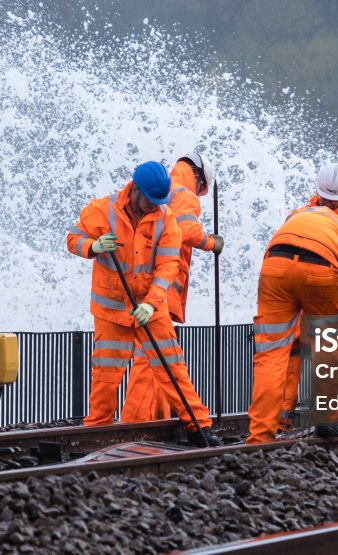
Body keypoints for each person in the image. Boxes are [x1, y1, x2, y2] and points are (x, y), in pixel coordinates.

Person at [65, 161, 221, 447]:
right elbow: (73, 239)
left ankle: (199, 426)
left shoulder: (166, 219)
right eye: (151, 200)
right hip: (112, 311)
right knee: (105, 375)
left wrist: (150, 304)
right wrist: (93, 246)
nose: (155, 206)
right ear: (135, 190)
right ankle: (96, 431)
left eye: (159, 201)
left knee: (173, 368)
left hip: (151, 310)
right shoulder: (103, 209)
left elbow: (168, 266)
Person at [247, 205, 338, 444]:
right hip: (321, 269)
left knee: (270, 354)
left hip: (275, 264)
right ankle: (326, 418)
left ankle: (260, 435)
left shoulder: (303, 214)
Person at [122, 153, 224, 423]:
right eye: (202, 189)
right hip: (164, 285)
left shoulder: (166, 188)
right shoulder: (185, 193)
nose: (199, 194)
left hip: (148, 280)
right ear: (198, 178)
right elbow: (186, 229)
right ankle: (135, 421)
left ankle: (157, 415)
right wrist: (211, 242)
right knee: (152, 355)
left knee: (155, 356)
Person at [280, 163, 338, 432]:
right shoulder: (300, 216)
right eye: (326, 198)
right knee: (291, 360)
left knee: (326, 362)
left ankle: (325, 421)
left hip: (328, 306)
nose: (329, 202)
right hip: (299, 306)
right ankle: (280, 420)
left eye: (333, 199)